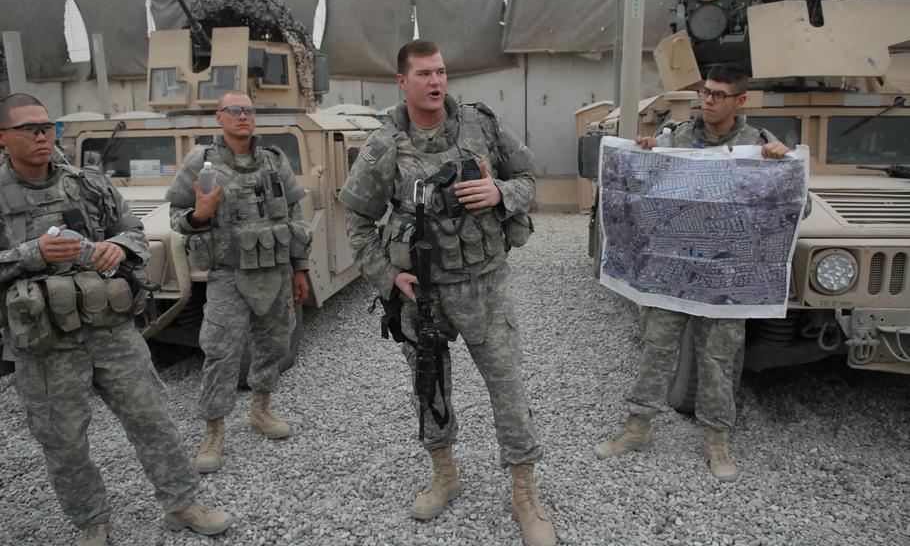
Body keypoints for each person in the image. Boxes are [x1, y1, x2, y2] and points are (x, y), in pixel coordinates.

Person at [339, 40, 556, 546]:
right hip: (423, 296)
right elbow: (357, 221)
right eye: (423, 74)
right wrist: (388, 278)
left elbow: (529, 178)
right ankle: (445, 474)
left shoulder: (482, 125)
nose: (436, 82)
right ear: (402, 81)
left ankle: (525, 492)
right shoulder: (384, 145)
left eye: (440, 72)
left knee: (508, 389)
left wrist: (501, 192)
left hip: (485, 285)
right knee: (429, 388)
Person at [0, 93, 232, 545]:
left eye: (46, 126)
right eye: (28, 128)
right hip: (45, 343)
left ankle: (182, 505)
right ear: (2, 137)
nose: (41, 135)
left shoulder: (86, 184)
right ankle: (93, 523)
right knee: (63, 442)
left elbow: (136, 233)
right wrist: (32, 253)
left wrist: (120, 247)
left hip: (110, 330)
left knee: (153, 419)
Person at [594, 65, 791, 481]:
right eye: (705, 92)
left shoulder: (760, 145)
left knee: (718, 359)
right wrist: (644, 156)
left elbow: (794, 211)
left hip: (725, 279)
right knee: (657, 348)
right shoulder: (676, 138)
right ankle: (637, 428)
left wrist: (781, 170)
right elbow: (642, 194)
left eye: (720, 94)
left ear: (741, 101)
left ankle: (717, 440)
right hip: (674, 274)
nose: (709, 100)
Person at [166, 89, 312, 474]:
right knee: (220, 352)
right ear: (220, 117)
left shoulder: (274, 160)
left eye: (249, 110)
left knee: (274, 345)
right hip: (229, 275)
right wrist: (199, 215)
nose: (244, 116)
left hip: (277, 272)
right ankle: (214, 432)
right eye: (235, 110)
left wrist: (300, 268)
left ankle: (260, 411)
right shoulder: (201, 162)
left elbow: (295, 218)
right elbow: (177, 217)